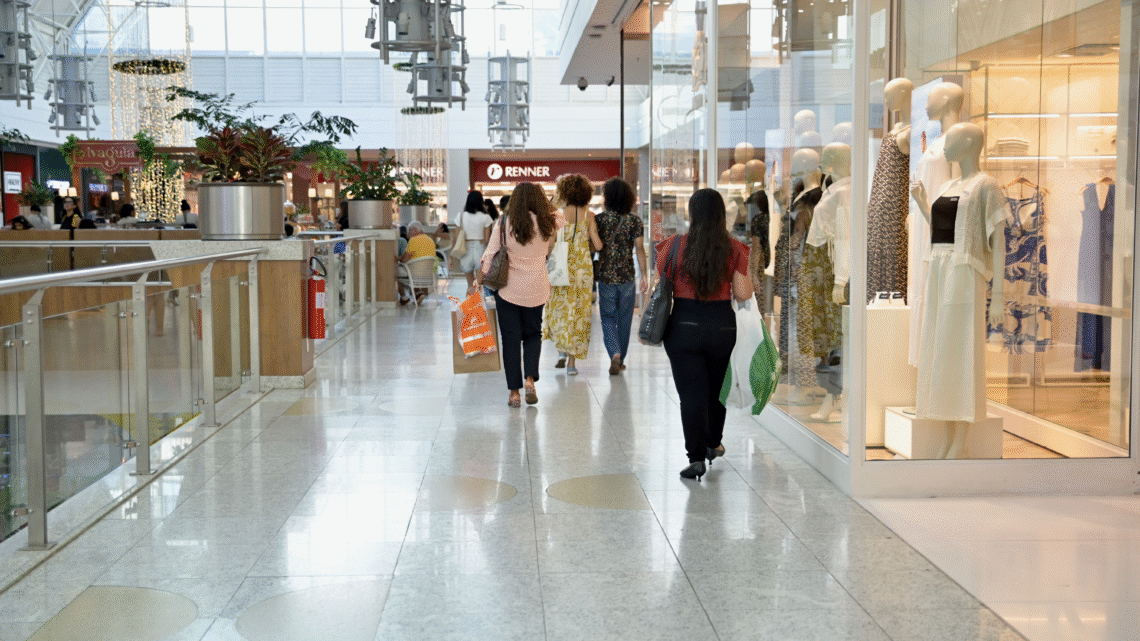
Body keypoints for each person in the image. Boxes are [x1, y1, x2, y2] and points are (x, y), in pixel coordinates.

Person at [653, 188, 753, 480]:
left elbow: (661, 281)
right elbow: (743, 293)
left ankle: (695, 457)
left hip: (683, 326)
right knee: (716, 392)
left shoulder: (674, 245)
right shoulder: (735, 248)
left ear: (691, 214)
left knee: (691, 395)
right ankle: (713, 442)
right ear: (722, 215)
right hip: (722, 326)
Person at [474, 182, 560, 408]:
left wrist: (481, 276)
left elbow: (490, 254)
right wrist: (545, 203)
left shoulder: (503, 223)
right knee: (533, 335)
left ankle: (514, 393)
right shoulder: (547, 222)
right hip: (537, 288)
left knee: (511, 340)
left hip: (509, 289)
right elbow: (559, 214)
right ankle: (530, 379)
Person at [543, 173, 602, 376]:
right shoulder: (589, 215)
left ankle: (560, 351)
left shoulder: (556, 215)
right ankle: (571, 363)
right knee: (579, 313)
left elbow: (550, 244)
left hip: (560, 266)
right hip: (582, 270)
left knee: (560, 309)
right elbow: (599, 245)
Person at [594, 177, 647, 375]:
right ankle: (621, 358)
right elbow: (640, 249)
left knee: (608, 318)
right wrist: (644, 275)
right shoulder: (635, 221)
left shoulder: (599, 220)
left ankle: (614, 353)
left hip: (606, 277)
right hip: (627, 277)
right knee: (625, 320)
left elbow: (594, 246)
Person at [455, 191, 493, 288]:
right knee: (479, 285)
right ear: (481, 201)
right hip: (480, 249)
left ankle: (470, 302)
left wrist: (452, 257)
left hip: (464, 249)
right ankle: (479, 302)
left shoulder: (461, 216)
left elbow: (456, 237)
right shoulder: (486, 217)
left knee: (470, 285)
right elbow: (487, 240)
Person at [399, 221, 437, 304]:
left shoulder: (413, 240)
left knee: (393, 272)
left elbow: (404, 260)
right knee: (412, 269)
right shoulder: (430, 240)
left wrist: (397, 259)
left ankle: (404, 298)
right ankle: (418, 293)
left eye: (409, 231)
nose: (408, 233)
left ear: (414, 230)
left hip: (414, 274)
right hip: (428, 274)